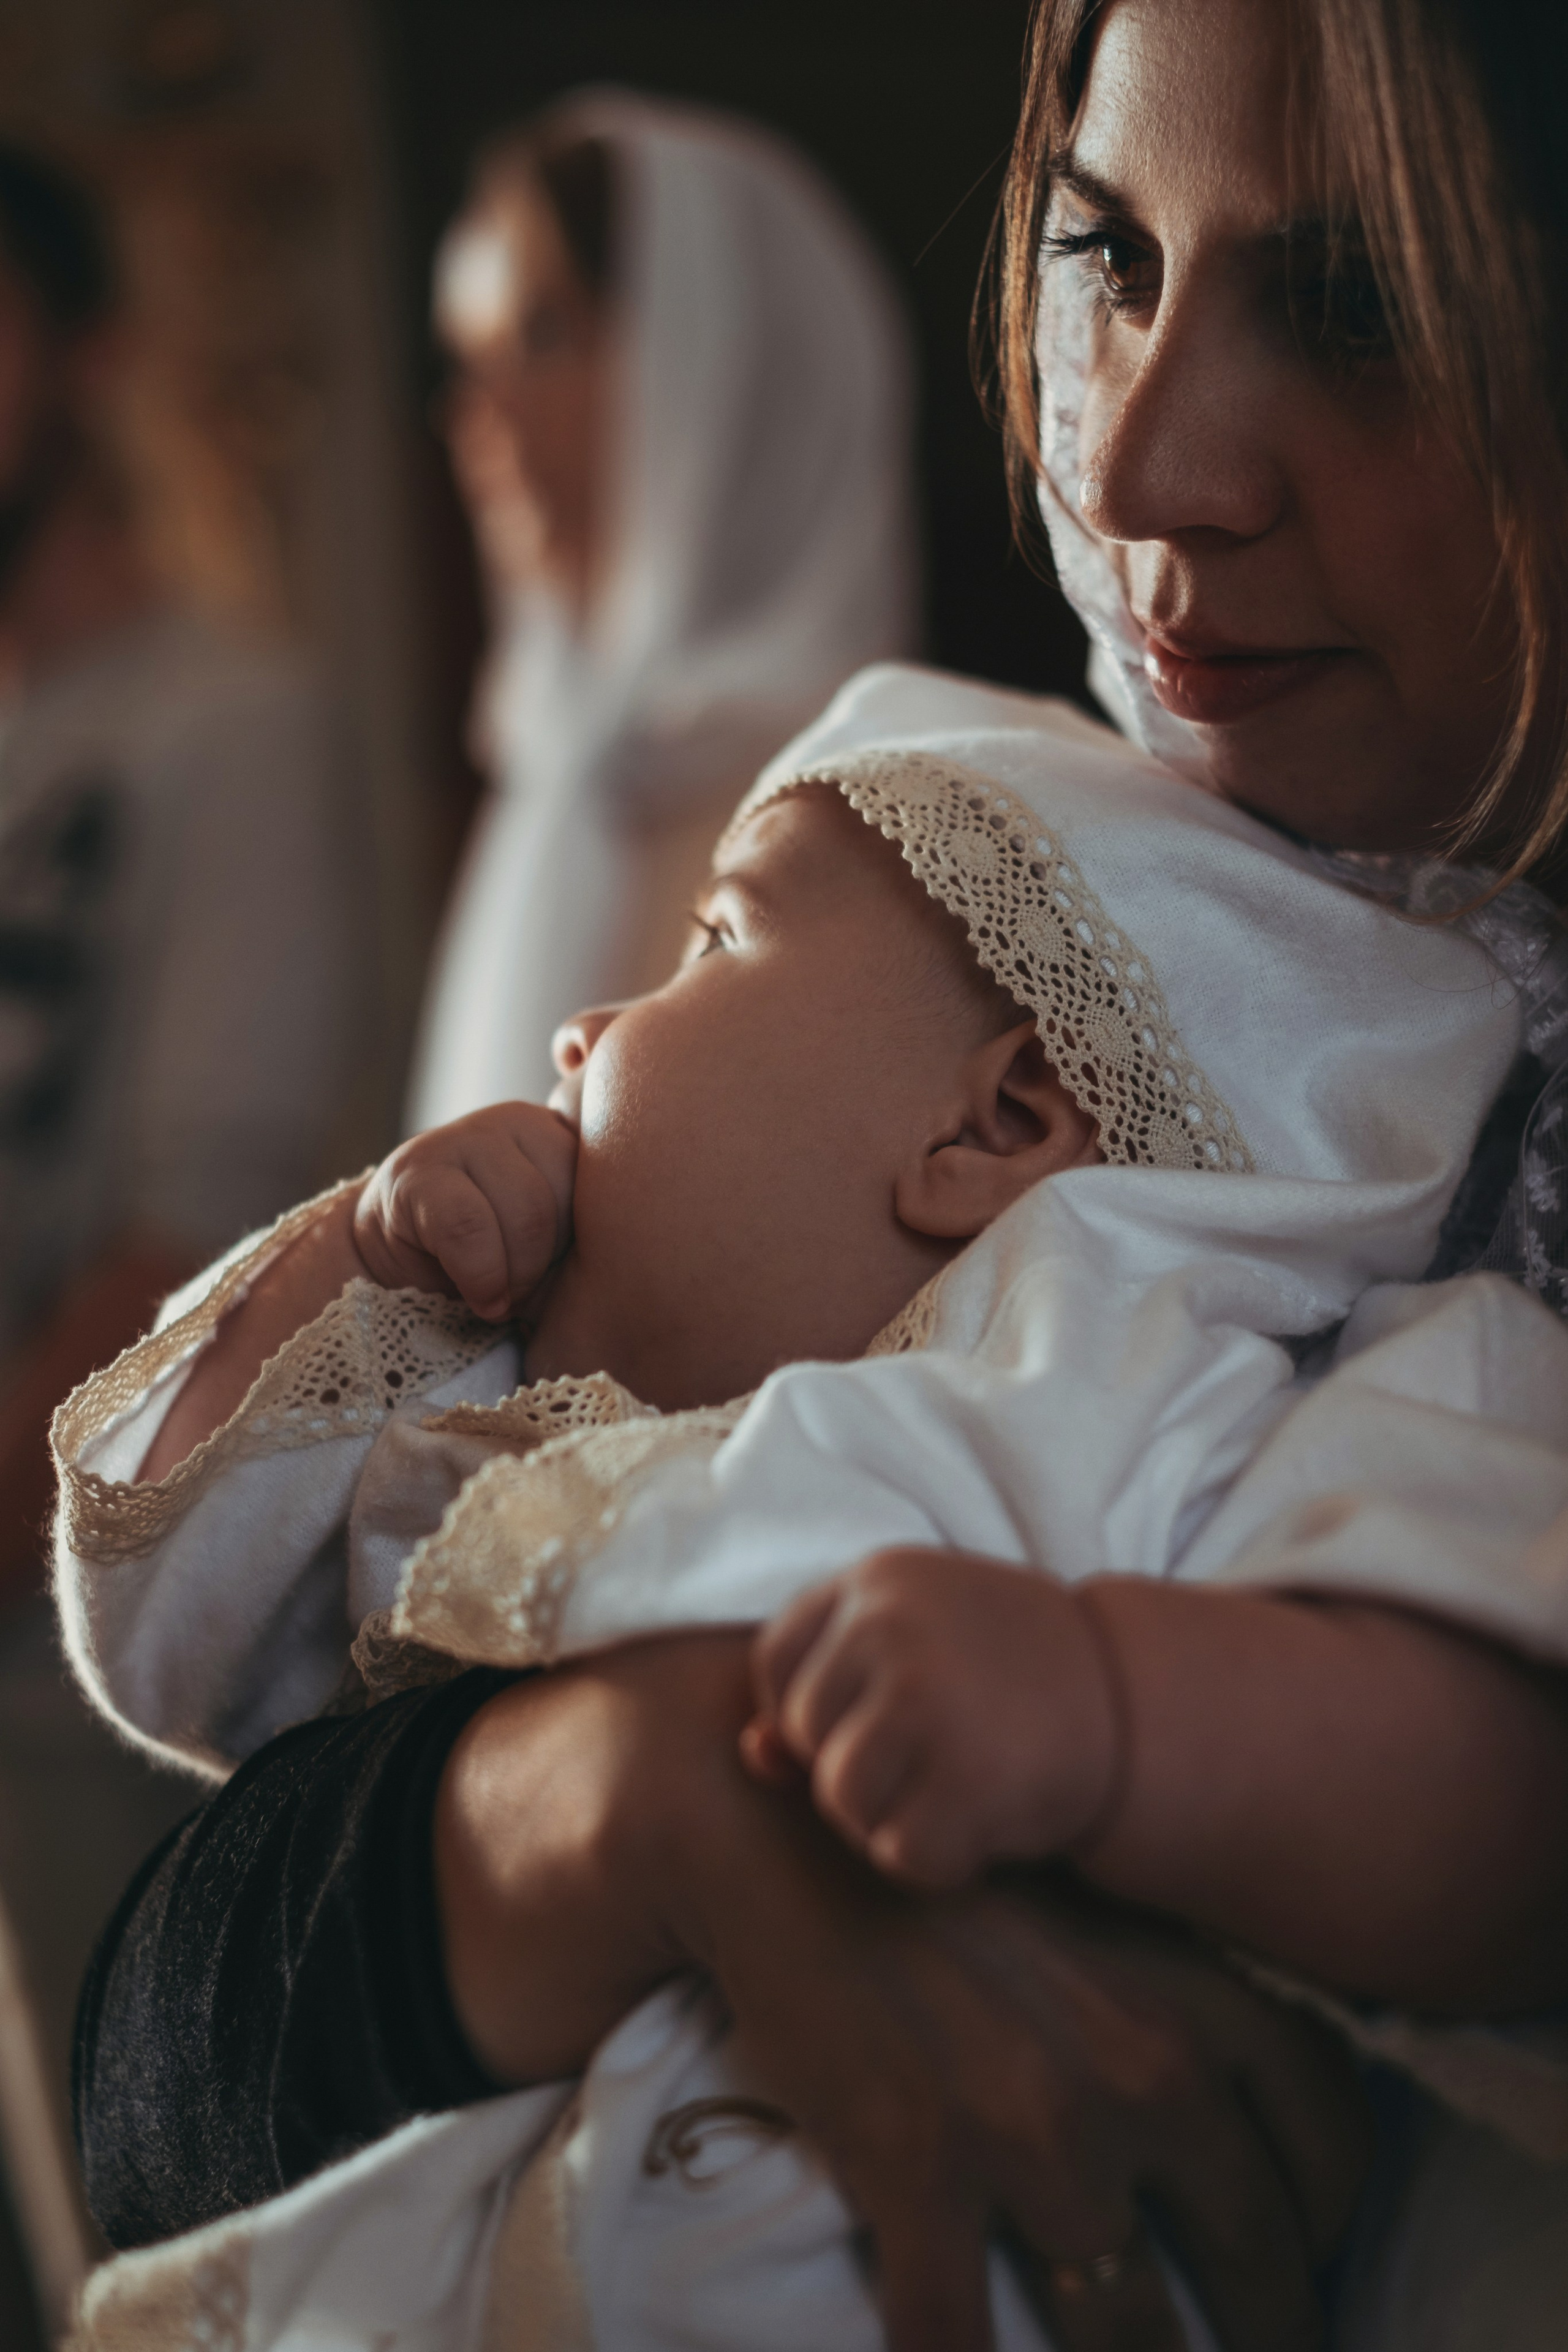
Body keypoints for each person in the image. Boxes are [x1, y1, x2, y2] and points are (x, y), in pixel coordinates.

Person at [55, 4, 1568, 2349]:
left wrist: (1101, 1715)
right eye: (1107, 251)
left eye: (1361, 302)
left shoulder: (1186, 1334)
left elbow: (1501, 1792)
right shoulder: (1042, 884)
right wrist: (651, 1789)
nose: (1143, 458)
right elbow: (180, 1984)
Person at [0, 138, 374, 2338]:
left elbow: (174, 1260)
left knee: (142, 2278)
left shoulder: (230, 724)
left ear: (92, 356)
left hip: (88, 1670)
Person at [409, 88, 918, 1117]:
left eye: (546, 332)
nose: (480, 415)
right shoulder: (555, 781)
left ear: (725, 353)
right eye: (470, 359)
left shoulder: (868, 815)